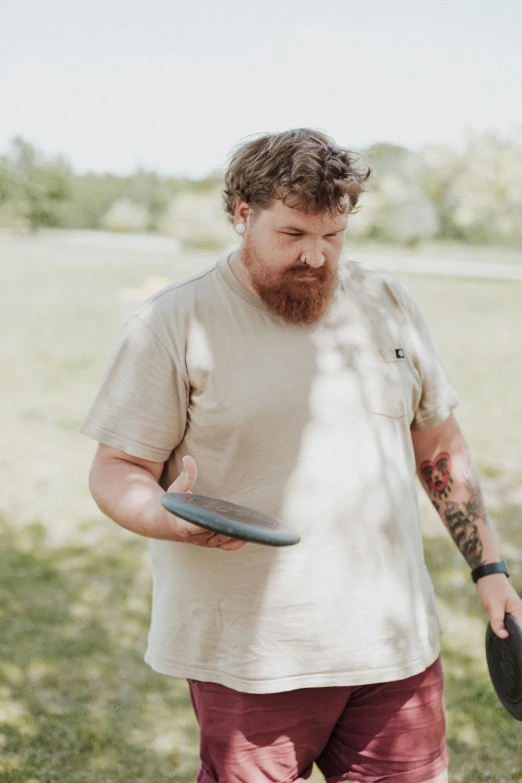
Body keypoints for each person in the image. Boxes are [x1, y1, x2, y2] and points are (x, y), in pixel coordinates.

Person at [81, 128, 522, 783]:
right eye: (292, 235)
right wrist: (171, 519)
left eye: (333, 236)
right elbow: (116, 470)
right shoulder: (172, 322)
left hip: (393, 644)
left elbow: (437, 444)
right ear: (241, 214)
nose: (317, 257)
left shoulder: (388, 303)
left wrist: (489, 566)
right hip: (253, 655)